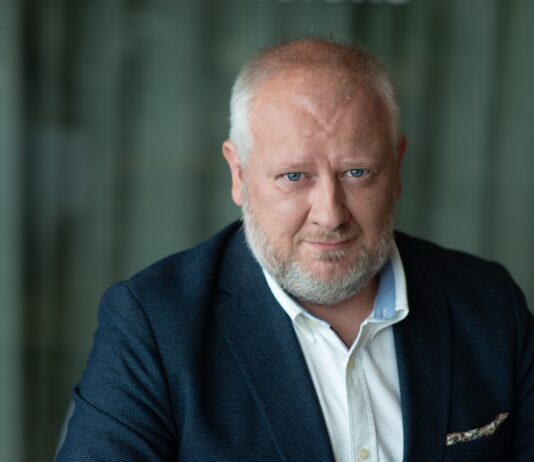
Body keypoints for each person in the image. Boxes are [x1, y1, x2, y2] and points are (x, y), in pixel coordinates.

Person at [56, 39, 534, 461]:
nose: (330, 213)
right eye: (294, 176)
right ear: (239, 174)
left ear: (397, 167)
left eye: (357, 173)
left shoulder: (491, 307)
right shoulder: (153, 328)